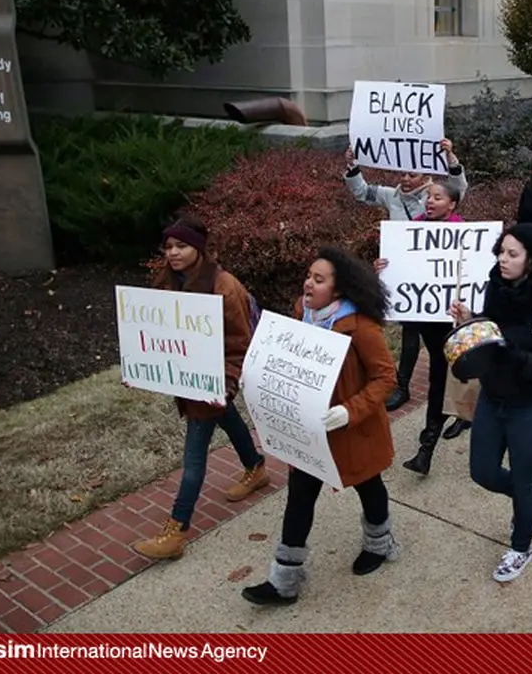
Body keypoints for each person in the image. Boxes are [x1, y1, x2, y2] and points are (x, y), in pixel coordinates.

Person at [242, 247, 399, 606]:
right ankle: (284, 581)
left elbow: (385, 377)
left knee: (368, 485)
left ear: (339, 289)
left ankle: (379, 543)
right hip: (312, 431)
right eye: (308, 276)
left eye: (318, 279)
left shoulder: (360, 325)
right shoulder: (302, 312)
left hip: (353, 431)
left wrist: (350, 410)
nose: (308, 283)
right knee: (299, 495)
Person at [132, 216, 270, 560]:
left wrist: (225, 382)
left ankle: (176, 531)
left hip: (211, 382)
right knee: (230, 419)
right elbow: (159, 335)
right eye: (168, 247)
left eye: (181, 246)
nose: (173, 253)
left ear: (199, 248)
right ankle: (256, 467)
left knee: (193, 459)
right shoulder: (167, 284)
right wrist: (142, 367)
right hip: (187, 379)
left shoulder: (224, 286)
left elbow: (241, 341)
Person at [449, 224, 532, 583]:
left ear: (531, 260)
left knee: (522, 476)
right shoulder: (495, 287)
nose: (502, 259)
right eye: (501, 251)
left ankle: (521, 546)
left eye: (512, 254)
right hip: (494, 396)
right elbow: (492, 335)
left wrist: (514, 355)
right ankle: (527, 494)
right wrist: (471, 321)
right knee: (482, 472)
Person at [343, 138, 467, 413]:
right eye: (402, 173)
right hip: (410, 279)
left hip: (438, 276)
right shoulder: (392, 195)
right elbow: (362, 192)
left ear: (425, 174)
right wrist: (352, 167)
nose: (406, 178)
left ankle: (457, 391)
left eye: (412, 174)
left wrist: (451, 158)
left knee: (446, 337)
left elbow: (458, 190)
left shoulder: (435, 195)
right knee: (410, 331)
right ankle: (403, 385)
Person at [376, 180, 470, 466]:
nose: (429, 201)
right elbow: (404, 267)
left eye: (437, 197)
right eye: (428, 196)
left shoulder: (463, 232)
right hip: (425, 317)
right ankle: (457, 418)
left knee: (443, 376)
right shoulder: (412, 229)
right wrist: (383, 267)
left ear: (452, 204)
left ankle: (427, 446)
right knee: (444, 374)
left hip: (451, 321)